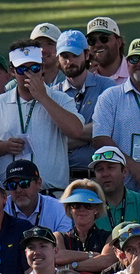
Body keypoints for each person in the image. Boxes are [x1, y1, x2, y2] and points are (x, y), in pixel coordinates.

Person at [0, 43, 83, 191]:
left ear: (42, 68)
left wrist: (43, 97)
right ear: (12, 71)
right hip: (11, 193)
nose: (29, 75)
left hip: (51, 193)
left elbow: (76, 131)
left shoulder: (61, 99)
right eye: (22, 69)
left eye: (34, 68)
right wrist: (4, 146)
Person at [55, 31, 116, 177]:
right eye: (65, 56)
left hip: (99, 178)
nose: (69, 61)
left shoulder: (107, 87)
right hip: (63, 179)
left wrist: (68, 135)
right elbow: (49, 140)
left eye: (75, 55)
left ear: (87, 55)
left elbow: (110, 129)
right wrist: (91, 135)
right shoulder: (52, 94)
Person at [92, 38, 140, 190]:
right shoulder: (111, 96)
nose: (138, 64)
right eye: (134, 59)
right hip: (122, 189)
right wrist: (133, 166)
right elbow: (100, 138)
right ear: (127, 63)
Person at [54, 182, 115, 274]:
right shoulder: (59, 236)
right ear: (70, 209)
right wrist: (91, 255)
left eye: (88, 205)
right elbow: (57, 256)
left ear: (96, 209)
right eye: (76, 205)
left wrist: (71, 266)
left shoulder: (109, 236)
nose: (82, 209)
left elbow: (107, 261)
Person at [90, 146, 140, 234]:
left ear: (125, 171)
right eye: (99, 169)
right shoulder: (88, 205)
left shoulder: (138, 201)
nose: (105, 174)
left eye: (110, 167)